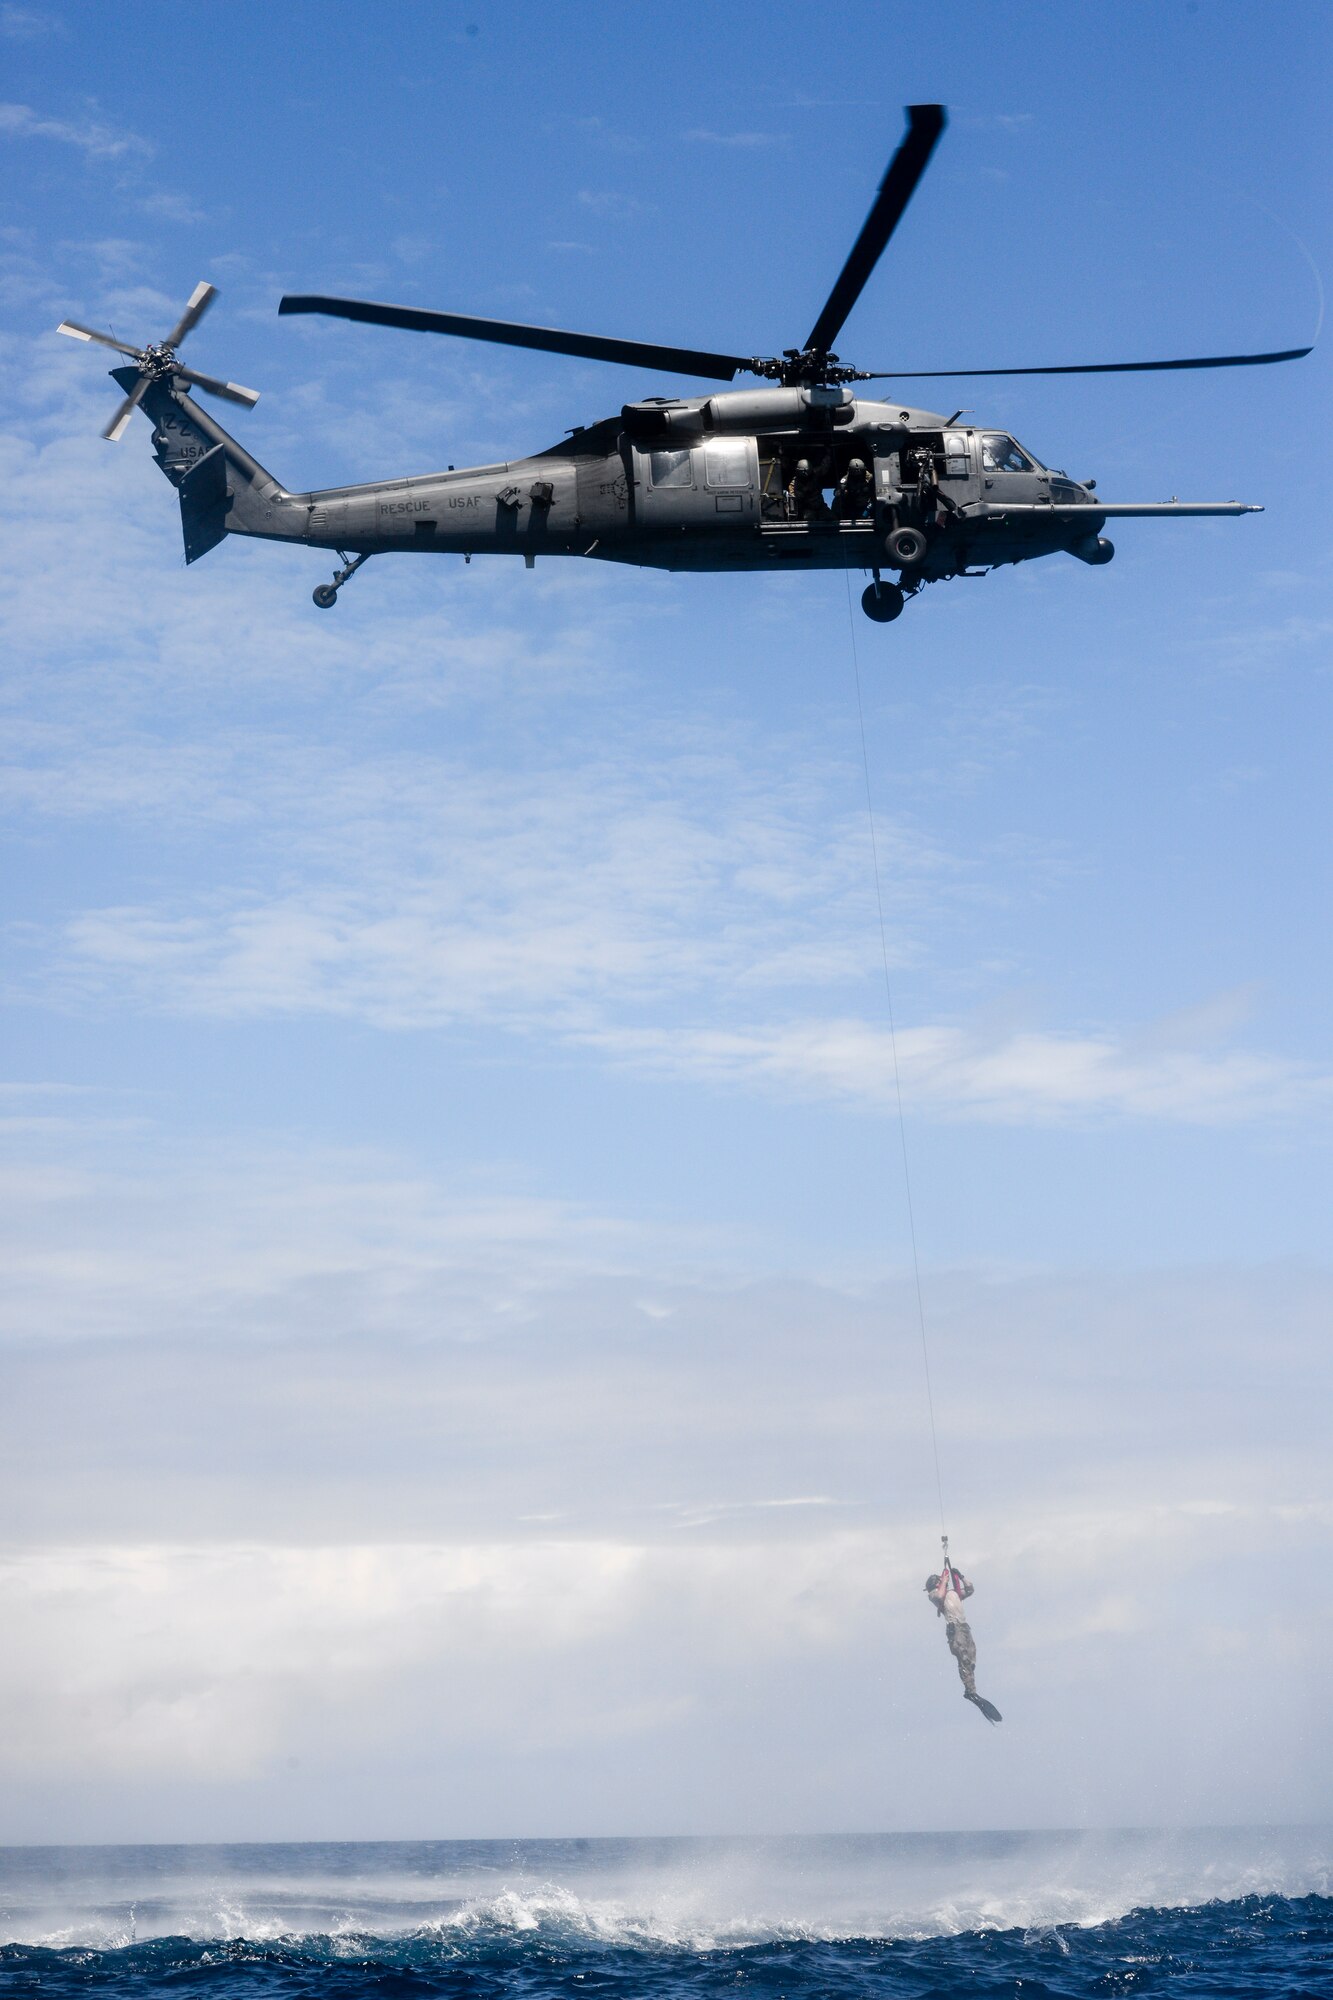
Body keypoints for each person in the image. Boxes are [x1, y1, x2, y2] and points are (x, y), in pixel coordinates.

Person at [926, 1564, 1002, 1723]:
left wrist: (960, 1576)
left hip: (965, 1628)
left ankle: (970, 1687)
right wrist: (944, 1581)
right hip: (955, 1631)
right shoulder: (935, 1595)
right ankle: (970, 1691)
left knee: (972, 1659)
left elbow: (970, 1590)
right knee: (964, 1659)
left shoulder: (952, 1593)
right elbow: (940, 1596)